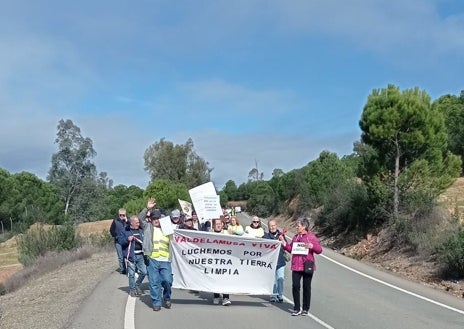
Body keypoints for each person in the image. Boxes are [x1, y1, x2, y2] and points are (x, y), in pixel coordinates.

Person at [280, 218, 322, 316]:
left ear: (304, 227)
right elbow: (291, 249)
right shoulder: (295, 237)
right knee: (295, 286)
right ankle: (296, 308)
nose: (296, 227)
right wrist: (284, 243)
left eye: (298, 226)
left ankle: (305, 309)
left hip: (307, 265)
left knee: (306, 287)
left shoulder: (311, 237)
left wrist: (312, 246)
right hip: (296, 266)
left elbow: (319, 250)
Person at [143, 209, 174, 311]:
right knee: (154, 281)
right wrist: (146, 209)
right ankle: (156, 302)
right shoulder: (148, 227)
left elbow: (176, 240)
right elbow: (139, 219)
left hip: (165, 259)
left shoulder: (168, 229)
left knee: (167, 280)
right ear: (151, 220)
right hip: (153, 259)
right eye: (154, 219)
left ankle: (167, 297)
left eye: (158, 218)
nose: (156, 220)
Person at [118, 215, 147, 297]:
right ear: (132, 223)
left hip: (140, 255)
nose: (138, 224)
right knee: (131, 274)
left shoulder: (141, 230)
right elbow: (120, 241)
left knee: (144, 272)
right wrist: (127, 240)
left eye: (138, 222)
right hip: (130, 256)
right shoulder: (124, 231)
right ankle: (132, 290)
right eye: (137, 222)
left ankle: (136, 285)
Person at [263, 219, 286, 303]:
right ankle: (273, 295)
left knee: (280, 278)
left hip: (280, 261)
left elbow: (286, 246)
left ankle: (280, 295)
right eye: (270, 226)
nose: (272, 227)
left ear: (276, 226)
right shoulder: (265, 236)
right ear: (268, 227)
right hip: (270, 262)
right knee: (272, 279)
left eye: (273, 225)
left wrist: (282, 240)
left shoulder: (281, 235)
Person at [211, 217, 232, 306]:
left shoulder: (227, 233)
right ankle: (216, 296)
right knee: (215, 278)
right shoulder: (209, 234)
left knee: (225, 279)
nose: (219, 225)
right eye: (217, 224)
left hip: (225, 260)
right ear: (214, 225)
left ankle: (225, 298)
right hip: (214, 260)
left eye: (220, 223)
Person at [109, 208, 128, 274]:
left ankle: (132, 268)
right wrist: (116, 236)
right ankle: (123, 269)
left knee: (128, 255)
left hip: (127, 241)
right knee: (121, 256)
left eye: (123, 215)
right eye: (120, 215)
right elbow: (111, 230)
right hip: (118, 242)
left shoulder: (128, 220)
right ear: (118, 214)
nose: (122, 216)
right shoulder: (115, 221)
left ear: (125, 214)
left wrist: (126, 221)